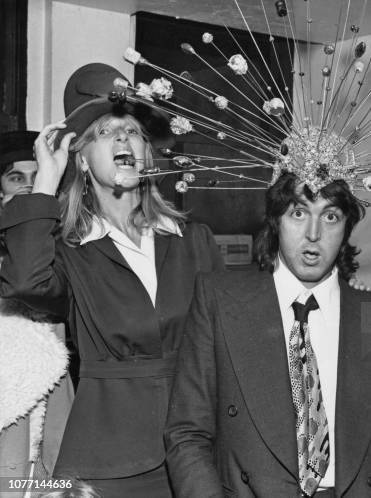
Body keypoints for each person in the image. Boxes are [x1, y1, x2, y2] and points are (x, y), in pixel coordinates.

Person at [164, 170, 371, 497]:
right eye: (299, 213)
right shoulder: (220, 301)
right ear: (276, 220)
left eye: (330, 217)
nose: (313, 233)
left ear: (346, 229)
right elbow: (187, 434)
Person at [0, 64, 224, 498]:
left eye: (134, 132)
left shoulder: (195, 240)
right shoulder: (69, 251)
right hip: (110, 462)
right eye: (105, 132)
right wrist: (47, 177)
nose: (124, 139)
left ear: (147, 155)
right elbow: (24, 282)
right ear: (81, 160)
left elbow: (228, 345)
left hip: (199, 450)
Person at [0, 131, 73, 497]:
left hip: (52, 433)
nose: (29, 188)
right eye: (16, 178)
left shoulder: (63, 259)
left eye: (37, 179)